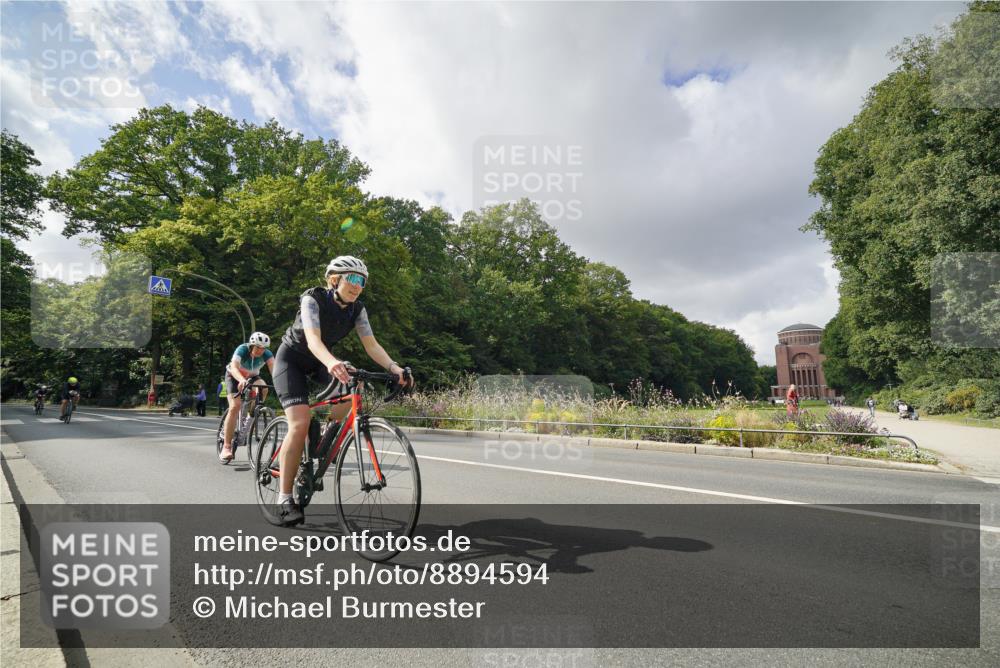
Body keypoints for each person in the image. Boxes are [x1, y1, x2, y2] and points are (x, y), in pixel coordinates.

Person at [272, 255, 414, 526]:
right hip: (292, 360)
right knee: (300, 423)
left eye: (363, 282)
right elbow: (313, 340)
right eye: (354, 279)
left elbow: (371, 345)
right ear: (334, 280)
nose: (358, 286)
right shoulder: (312, 299)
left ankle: (327, 435)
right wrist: (332, 362)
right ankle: (284, 498)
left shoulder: (357, 309)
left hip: (321, 360)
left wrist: (394, 367)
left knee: (355, 380)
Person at [220, 332, 275, 462]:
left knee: (264, 388)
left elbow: (275, 371)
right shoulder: (242, 349)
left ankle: (252, 413)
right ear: (251, 345)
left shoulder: (267, 354)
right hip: (234, 376)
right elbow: (234, 367)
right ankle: (226, 447)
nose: (260, 351)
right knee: (235, 406)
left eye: (263, 348)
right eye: (258, 347)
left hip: (252, 377)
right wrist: (241, 380)